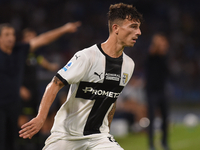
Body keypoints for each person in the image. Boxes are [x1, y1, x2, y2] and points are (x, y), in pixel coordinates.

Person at [19, 3, 143, 150]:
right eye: (133, 26)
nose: (139, 32)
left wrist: (107, 131)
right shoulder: (87, 57)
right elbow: (55, 83)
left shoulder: (128, 65)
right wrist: (40, 118)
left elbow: (112, 100)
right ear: (115, 28)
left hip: (98, 137)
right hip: (66, 135)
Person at [0, 21, 81, 150]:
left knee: (12, 141)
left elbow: (43, 39)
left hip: (14, 104)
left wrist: (64, 29)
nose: (11, 37)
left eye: (12, 34)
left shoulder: (20, 50)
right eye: (6, 34)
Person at [145, 33, 170, 150]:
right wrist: (157, 44)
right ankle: (151, 144)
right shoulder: (151, 55)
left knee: (165, 118)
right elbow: (152, 52)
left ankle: (164, 142)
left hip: (162, 91)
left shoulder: (164, 57)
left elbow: (168, 72)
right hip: (151, 91)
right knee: (152, 118)